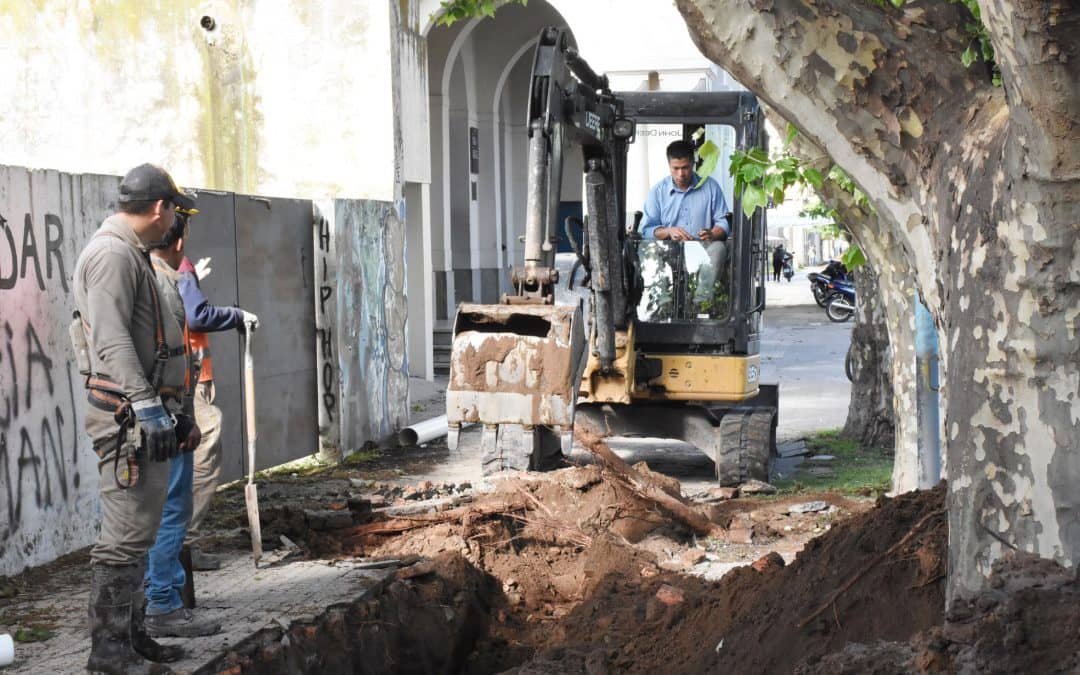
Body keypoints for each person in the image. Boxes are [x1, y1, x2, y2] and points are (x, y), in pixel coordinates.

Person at [73, 164, 201, 673]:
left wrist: (173, 410)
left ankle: (132, 637)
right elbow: (110, 340)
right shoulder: (110, 255)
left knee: (143, 528)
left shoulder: (130, 252)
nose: (174, 218)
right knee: (124, 535)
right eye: (173, 207)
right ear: (158, 208)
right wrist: (147, 405)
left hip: (145, 414)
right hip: (127, 420)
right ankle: (109, 655)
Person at [142, 202, 224, 639]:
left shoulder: (140, 278)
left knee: (159, 509)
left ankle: (163, 593)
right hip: (166, 415)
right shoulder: (167, 285)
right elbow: (170, 363)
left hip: (155, 415)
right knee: (172, 509)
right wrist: (182, 417)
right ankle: (162, 605)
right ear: (176, 238)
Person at [178, 243, 258, 572]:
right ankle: (182, 545)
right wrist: (238, 315)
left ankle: (180, 545)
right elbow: (197, 317)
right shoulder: (177, 265)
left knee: (190, 462)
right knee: (204, 454)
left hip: (189, 379)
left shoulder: (176, 267)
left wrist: (191, 278)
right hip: (189, 382)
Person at [640, 140, 731, 312]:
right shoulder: (657, 192)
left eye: (685, 167)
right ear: (669, 166)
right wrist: (668, 231)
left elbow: (724, 222)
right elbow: (646, 230)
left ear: (693, 163)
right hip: (669, 251)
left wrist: (712, 233)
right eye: (676, 168)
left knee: (719, 248)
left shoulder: (711, 187)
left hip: (702, 249)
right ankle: (663, 305)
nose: (681, 173)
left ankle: (700, 305)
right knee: (647, 248)